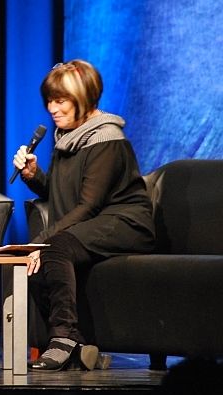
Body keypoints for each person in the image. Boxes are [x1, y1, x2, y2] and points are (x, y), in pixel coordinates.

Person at [12, 60, 155, 371]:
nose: (52, 108)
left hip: (125, 222)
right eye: (49, 101)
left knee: (52, 248)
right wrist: (34, 176)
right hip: (92, 223)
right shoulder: (67, 137)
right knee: (35, 261)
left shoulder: (106, 137)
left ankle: (63, 338)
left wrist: (40, 242)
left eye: (60, 100)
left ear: (84, 99)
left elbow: (89, 205)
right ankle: (77, 346)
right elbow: (61, 194)